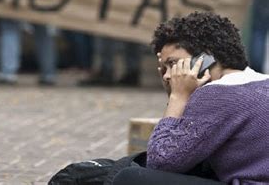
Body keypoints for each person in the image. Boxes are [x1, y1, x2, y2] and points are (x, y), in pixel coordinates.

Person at [51, 12, 269, 184]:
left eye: (173, 64)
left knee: (130, 178)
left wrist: (178, 95)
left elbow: (161, 162)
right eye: (163, 68)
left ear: (206, 59)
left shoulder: (217, 95)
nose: (166, 75)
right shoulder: (261, 82)